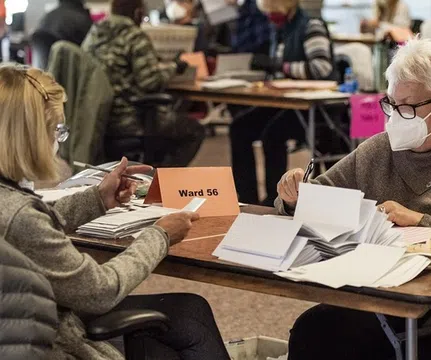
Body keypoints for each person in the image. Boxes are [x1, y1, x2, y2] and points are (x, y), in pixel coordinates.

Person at [0, 65, 229, 359]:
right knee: (188, 321)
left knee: (187, 315)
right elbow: (100, 291)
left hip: (24, 324)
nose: (58, 141)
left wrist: (98, 198)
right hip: (49, 341)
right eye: (57, 130)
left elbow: (33, 220)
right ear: (29, 137)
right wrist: (160, 235)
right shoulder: (21, 218)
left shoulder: (11, 202)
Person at [276, 38, 431, 360]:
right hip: (383, 289)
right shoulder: (378, 149)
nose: (398, 117)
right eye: (392, 104)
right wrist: (294, 196)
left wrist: (422, 222)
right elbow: (318, 196)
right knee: (313, 330)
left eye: (409, 107)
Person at [229, 0, 337, 206]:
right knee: (239, 128)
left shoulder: (311, 25)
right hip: (286, 102)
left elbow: (321, 67)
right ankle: (247, 199)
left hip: (312, 108)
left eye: (274, 12)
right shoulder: (281, 29)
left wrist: (281, 66)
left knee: (272, 134)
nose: (271, 17)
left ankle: (275, 199)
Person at [82, 0, 205, 168]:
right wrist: (175, 67)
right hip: (129, 118)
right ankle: (159, 181)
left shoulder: (93, 34)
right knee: (194, 131)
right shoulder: (134, 35)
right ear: (138, 13)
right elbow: (150, 82)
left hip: (99, 118)